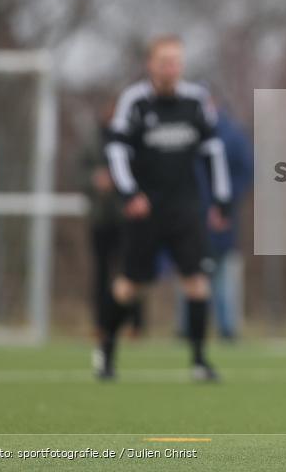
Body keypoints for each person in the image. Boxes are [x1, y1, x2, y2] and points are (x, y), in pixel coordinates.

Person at [98, 34, 231, 381]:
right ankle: (106, 352)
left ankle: (200, 361)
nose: (170, 68)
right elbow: (115, 151)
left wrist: (220, 200)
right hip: (145, 209)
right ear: (151, 65)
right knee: (129, 284)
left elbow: (213, 152)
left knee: (196, 282)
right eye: (164, 61)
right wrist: (129, 194)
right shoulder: (135, 101)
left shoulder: (197, 99)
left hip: (185, 207)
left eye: (176, 61)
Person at [178, 104, 253, 341]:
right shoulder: (182, 131)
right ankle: (187, 329)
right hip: (188, 216)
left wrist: (224, 206)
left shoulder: (231, 134)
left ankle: (226, 328)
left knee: (222, 274)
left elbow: (247, 171)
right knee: (189, 271)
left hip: (221, 219)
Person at [79, 100, 144, 340]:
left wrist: (120, 181)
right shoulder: (92, 141)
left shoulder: (133, 138)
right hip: (100, 218)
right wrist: (94, 180)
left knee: (130, 272)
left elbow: (143, 169)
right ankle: (101, 324)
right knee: (102, 274)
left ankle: (135, 324)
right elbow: (79, 172)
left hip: (126, 216)